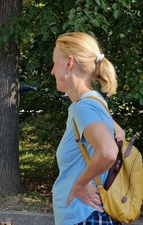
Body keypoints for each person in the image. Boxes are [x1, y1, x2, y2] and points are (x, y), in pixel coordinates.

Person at [51, 32, 125, 225]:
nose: (52, 71)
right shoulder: (92, 102)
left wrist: (81, 183)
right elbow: (119, 134)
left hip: (82, 216)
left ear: (69, 63)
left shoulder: (85, 107)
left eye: (54, 63)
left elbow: (109, 151)